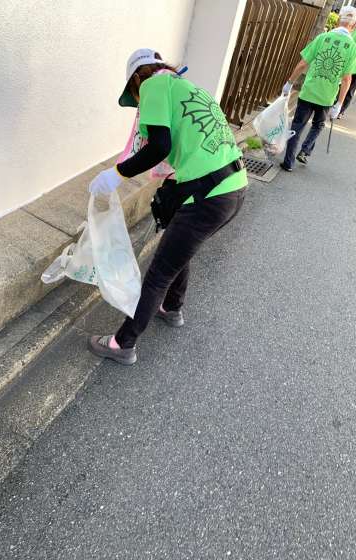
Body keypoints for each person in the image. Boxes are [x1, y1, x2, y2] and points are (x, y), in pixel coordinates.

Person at [87, 49, 248, 365]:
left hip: (209, 194)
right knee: (177, 246)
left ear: (137, 79)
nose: (138, 103)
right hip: (233, 186)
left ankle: (123, 344)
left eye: (134, 95)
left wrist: (117, 173)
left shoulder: (153, 85)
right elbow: (189, 146)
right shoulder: (187, 87)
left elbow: (159, 146)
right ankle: (172, 307)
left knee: (160, 270)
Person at [280, 6, 356, 171]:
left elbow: (302, 64)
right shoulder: (353, 47)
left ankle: (288, 162)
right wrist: (339, 104)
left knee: (297, 125)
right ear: (354, 25)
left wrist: (289, 83)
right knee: (318, 125)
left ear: (338, 20)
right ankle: (305, 150)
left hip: (309, 91)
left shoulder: (322, 38)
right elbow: (347, 79)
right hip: (327, 97)